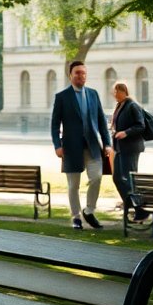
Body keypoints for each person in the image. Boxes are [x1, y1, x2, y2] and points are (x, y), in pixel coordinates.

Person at [50, 61, 111, 230]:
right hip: (70, 148)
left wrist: (107, 144)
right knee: (73, 186)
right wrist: (57, 145)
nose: (81, 76)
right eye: (77, 73)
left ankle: (89, 211)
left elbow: (101, 121)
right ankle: (76, 217)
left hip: (92, 146)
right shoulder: (62, 97)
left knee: (97, 177)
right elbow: (55, 124)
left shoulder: (93, 94)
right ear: (70, 75)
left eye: (83, 73)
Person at [108, 81, 148, 223]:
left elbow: (140, 125)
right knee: (117, 178)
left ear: (124, 92)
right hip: (119, 148)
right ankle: (131, 205)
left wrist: (125, 132)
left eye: (117, 91)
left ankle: (141, 210)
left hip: (130, 148)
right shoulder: (119, 106)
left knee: (130, 180)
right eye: (114, 91)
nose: (115, 94)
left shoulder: (132, 106)